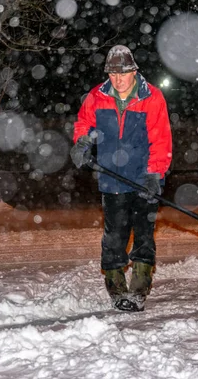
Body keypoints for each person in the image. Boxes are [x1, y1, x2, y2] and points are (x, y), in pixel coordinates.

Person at [70, 45, 172, 312]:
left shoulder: (152, 98)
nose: (118, 80)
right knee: (114, 235)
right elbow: (84, 123)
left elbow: (161, 140)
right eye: (113, 74)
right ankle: (116, 288)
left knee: (143, 234)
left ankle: (139, 288)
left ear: (134, 70)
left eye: (123, 74)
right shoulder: (97, 96)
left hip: (144, 177)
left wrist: (154, 174)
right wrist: (81, 142)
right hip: (112, 178)